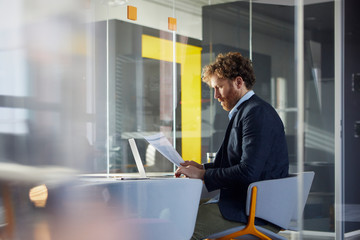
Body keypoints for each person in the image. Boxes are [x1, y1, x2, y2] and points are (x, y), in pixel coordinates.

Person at [175, 52, 289, 240]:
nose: (216, 96)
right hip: (241, 202)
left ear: (238, 82)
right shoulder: (247, 111)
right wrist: (201, 167)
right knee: (176, 211)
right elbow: (237, 163)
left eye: (219, 87)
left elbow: (248, 171)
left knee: (180, 224)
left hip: (252, 210)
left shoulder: (256, 114)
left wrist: (203, 174)